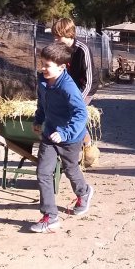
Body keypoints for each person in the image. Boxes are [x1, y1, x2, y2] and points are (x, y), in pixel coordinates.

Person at [30, 42, 94, 233]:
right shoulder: (43, 81)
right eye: (42, 63)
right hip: (50, 134)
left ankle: (84, 192)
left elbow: (81, 114)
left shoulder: (68, 87)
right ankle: (50, 216)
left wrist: (65, 132)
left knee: (70, 168)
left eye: (47, 65)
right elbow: (42, 103)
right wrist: (38, 119)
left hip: (70, 137)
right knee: (43, 172)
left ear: (61, 67)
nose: (43, 68)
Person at [51, 17, 98, 153]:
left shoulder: (83, 49)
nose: (55, 39)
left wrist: (78, 99)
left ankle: (87, 146)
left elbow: (89, 81)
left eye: (58, 36)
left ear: (68, 34)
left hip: (85, 88)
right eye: (54, 36)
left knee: (75, 113)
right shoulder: (59, 49)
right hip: (68, 88)